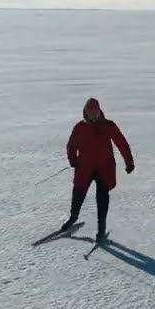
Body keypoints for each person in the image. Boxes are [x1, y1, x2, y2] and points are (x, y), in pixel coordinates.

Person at [61, 98, 134, 240]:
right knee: (78, 194)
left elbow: (121, 143)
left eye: (96, 112)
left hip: (104, 169)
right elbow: (71, 146)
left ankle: (101, 228)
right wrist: (73, 160)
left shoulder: (108, 126)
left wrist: (129, 162)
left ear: (100, 111)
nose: (94, 115)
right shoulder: (80, 128)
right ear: (86, 113)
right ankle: (73, 217)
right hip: (84, 168)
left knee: (102, 199)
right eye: (90, 113)